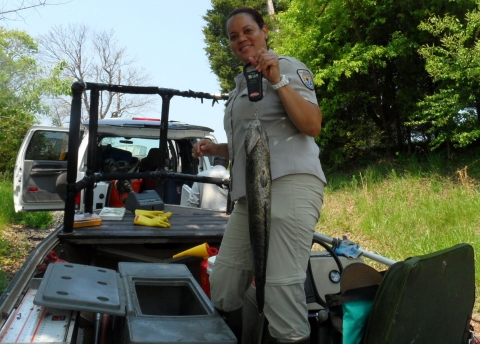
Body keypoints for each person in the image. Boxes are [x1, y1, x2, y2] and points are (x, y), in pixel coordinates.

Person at [192, 7, 327, 343]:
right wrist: (216, 149)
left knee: (281, 286)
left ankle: (291, 336)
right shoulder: (239, 85)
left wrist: (278, 80)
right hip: (248, 196)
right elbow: (250, 144)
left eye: (248, 31)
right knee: (223, 280)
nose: (241, 40)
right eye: (234, 36)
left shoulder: (288, 67)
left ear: (264, 30)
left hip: (290, 183)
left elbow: (312, 125)